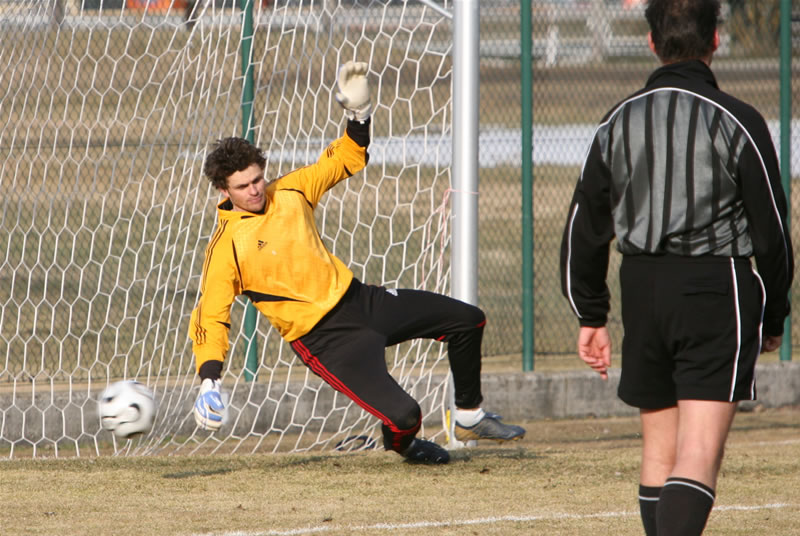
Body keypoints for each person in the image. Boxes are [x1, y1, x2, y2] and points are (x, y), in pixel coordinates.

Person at [188, 60, 525, 464]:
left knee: (468, 320)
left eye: (258, 179)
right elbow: (211, 315)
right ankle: (406, 446)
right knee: (406, 417)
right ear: (223, 190)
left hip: (361, 300)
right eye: (243, 186)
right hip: (327, 341)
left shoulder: (291, 190)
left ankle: (470, 415)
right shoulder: (226, 246)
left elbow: (345, 159)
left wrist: (358, 114)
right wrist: (209, 378)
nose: (255, 190)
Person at [559, 1, 793, 534]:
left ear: (650, 43)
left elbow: (586, 226)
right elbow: (773, 234)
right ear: (715, 40)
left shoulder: (617, 120)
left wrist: (590, 314)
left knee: (659, 456)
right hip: (714, 287)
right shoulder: (738, 119)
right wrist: (774, 314)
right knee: (698, 453)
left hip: (642, 288)